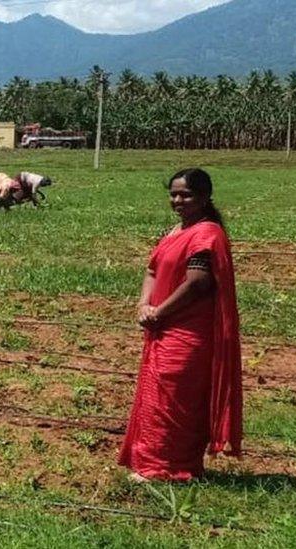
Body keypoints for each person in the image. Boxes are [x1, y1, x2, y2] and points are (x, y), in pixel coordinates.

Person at [119, 168, 242, 482]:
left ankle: (169, 468)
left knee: (176, 401)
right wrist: (143, 304)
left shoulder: (206, 233)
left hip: (187, 331)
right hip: (161, 325)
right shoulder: (176, 231)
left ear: (204, 197)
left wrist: (160, 311)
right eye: (173, 194)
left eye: (185, 194)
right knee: (156, 398)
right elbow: (152, 270)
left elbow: (197, 283)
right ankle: (151, 461)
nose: (178, 200)